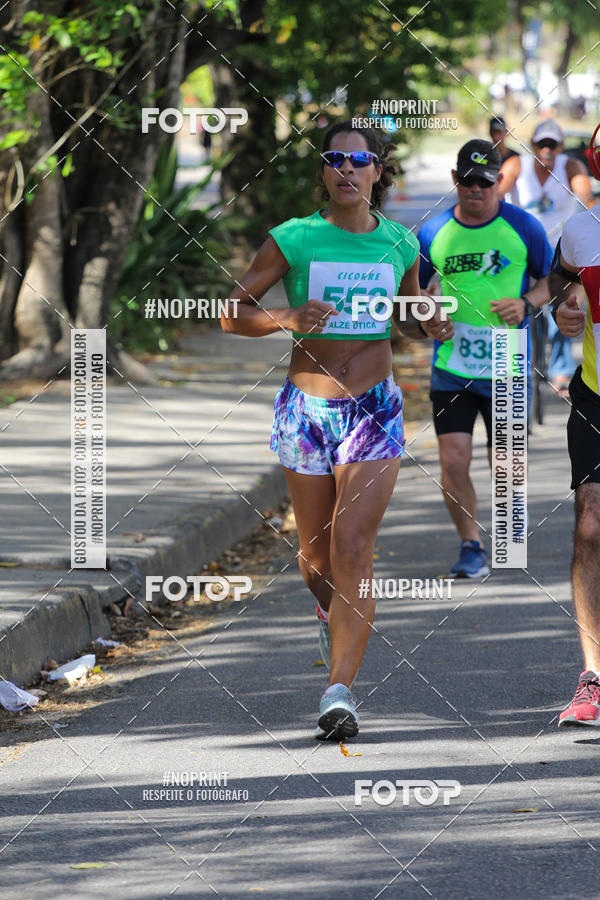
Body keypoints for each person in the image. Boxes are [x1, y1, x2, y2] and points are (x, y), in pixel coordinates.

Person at [221, 121, 453, 740]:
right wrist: (287, 316)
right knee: (316, 556)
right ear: (323, 172)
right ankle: (332, 611)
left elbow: (403, 319)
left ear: (378, 170)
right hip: (306, 410)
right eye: (335, 159)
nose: (347, 169)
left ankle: (339, 691)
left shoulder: (400, 242)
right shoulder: (294, 239)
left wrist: (427, 322)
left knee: (354, 547)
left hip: (374, 410)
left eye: (359, 160)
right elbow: (231, 313)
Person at [418, 139, 552, 578]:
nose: (476, 189)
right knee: (453, 461)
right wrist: (427, 311)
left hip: (506, 361)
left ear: (498, 182)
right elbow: (410, 290)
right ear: (455, 179)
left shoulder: (523, 226)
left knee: (505, 464)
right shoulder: (433, 232)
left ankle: (509, 537)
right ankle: (471, 544)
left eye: (485, 182)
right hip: (452, 366)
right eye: (468, 180)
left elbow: (554, 279)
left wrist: (527, 303)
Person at [548, 199, 600, 726]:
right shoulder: (583, 228)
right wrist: (563, 307)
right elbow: (559, 280)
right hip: (595, 396)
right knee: (589, 523)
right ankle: (593, 677)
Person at [498, 121, 596, 394]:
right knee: (512, 303)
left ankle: (560, 369)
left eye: (552, 144)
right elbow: (497, 194)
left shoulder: (570, 166)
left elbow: (586, 195)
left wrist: (592, 208)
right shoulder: (517, 165)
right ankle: (512, 368)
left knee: (566, 304)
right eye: (541, 144)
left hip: (559, 253)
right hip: (522, 251)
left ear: (561, 146)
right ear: (532, 145)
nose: (546, 150)